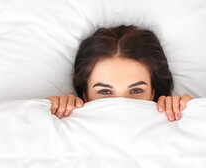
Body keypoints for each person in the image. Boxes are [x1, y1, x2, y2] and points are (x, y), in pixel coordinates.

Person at [46, 25, 191, 122]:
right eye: (104, 91)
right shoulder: (63, 124)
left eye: (136, 90)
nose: (122, 104)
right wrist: (46, 112)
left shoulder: (174, 119)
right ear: (85, 95)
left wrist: (192, 114)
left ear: (153, 93)